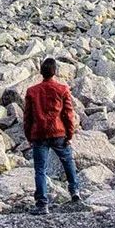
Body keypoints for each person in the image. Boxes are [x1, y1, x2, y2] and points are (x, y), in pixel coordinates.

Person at [23, 56, 80, 214]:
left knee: (40, 170)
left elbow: (28, 117)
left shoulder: (32, 91)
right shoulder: (62, 89)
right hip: (58, 132)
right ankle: (74, 191)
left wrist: (29, 137)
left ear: (41, 72)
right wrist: (70, 134)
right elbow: (68, 114)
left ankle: (42, 204)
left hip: (39, 135)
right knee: (68, 162)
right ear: (55, 72)